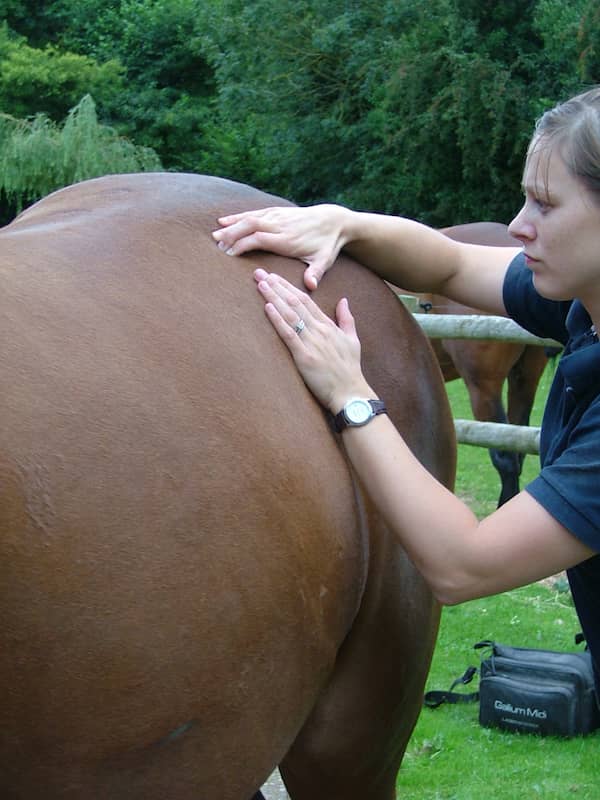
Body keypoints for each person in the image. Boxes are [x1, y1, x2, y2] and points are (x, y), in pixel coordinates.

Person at [212, 87, 600, 687]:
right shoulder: (583, 305)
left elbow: (462, 566)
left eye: (544, 204)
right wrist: (344, 222)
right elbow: (450, 265)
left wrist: (350, 394)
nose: (519, 225)